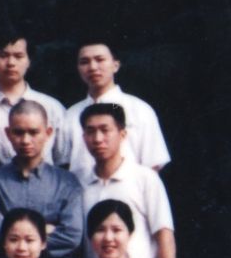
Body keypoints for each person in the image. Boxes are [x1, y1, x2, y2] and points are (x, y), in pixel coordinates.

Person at [0, 100, 89, 258]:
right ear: (8, 134)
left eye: (33, 132)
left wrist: (15, 237)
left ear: (48, 133)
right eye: (19, 132)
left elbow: (71, 236)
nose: (25, 140)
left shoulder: (66, 182)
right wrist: (45, 230)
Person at [77, 103, 178, 258]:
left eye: (105, 130)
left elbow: (164, 236)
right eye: (91, 132)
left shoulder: (145, 178)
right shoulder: (78, 182)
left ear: (122, 134)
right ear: (84, 138)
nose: (98, 138)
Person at [64, 40, 171, 183]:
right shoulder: (71, 114)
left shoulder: (139, 109)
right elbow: (62, 162)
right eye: (84, 62)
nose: (93, 67)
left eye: (100, 59)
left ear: (115, 65)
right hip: (80, 192)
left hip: (129, 192)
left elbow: (153, 163)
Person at [0, 32, 71, 171]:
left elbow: (64, 161)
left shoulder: (52, 107)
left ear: (29, 61)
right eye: (3, 56)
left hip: (46, 183)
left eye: (18, 56)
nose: (11, 63)